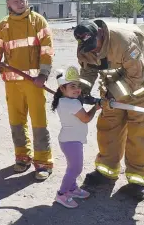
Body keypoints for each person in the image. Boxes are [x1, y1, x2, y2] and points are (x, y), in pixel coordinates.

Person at [74, 19, 144, 201]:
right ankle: (106, 172)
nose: (93, 51)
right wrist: (81, 91)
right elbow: (88, 71)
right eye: (89, 48)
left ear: (100, 32)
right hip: (113, 89)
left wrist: (111, 96)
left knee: (140, 135)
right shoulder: (85, 46)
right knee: (108, 129)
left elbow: (135, 77)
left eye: (95, 46)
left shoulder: (124, 40)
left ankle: (137, 181)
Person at [0, 0, 55, 180]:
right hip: (12, 84)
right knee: (17, 122)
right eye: (15, 0)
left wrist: (43, 75)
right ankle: (22, 157)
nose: (20, 3)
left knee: (39, 122)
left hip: (34, 83)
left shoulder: (38, 22)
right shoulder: (3, 26)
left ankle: (43, 162)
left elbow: (47, 50)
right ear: (8, 4)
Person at [51, 66, 100, 208]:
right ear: (62, 88)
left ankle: (72, 189)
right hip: (70, 141)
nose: (77, 89)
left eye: (78, 86)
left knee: (72, 167)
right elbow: (85, 118)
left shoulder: (68, 100)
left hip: (71, 140)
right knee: (75, 169)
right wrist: (95, 108)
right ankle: (61, 194)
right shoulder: (69, 103)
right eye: (72, 86)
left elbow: (79, 103)